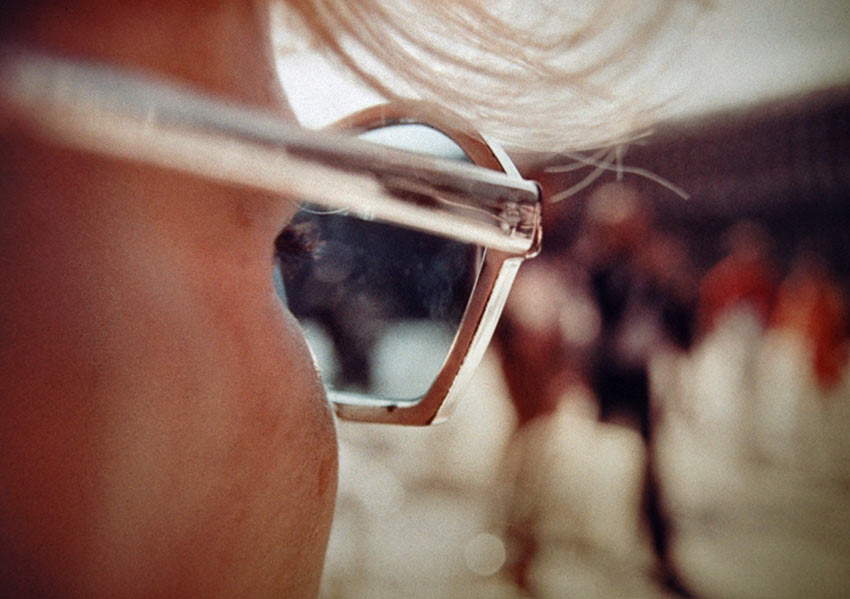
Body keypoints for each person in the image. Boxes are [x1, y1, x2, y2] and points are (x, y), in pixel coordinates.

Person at [0, 1, 704, 596]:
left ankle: (607, 536)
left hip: (604, 380)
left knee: (621, 468)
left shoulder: (622, 268)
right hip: (569, 375)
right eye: (279, 239)